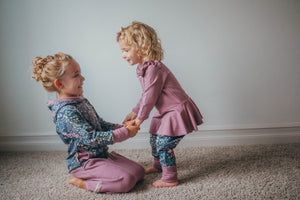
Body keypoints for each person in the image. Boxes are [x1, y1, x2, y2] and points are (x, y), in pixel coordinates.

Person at [32, 52, 145, 193]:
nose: (83, 78)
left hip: (101, 155)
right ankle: (84, 183)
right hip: (85, 162)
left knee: (139, 172)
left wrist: (122, 127)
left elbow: (100, 124)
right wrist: (125, 133)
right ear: (59, 84)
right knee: (126, 180)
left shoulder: (81, 101)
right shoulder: (66, 112)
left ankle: (109, 165)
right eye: (76, 75)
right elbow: (91, 138)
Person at [117, 21, 203, 188]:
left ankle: (170, 177)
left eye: (126, 50)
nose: (123, 55)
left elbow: (150, 97)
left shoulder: (154, 68)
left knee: (164, 145)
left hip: (176, 111)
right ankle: (159, 166)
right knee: (155, 139)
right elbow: (147, 94)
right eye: (122, 51)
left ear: (141, 47)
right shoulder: (143, 68)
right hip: (166, 111)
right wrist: (135, 112)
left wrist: (140, 119)